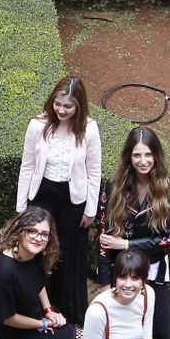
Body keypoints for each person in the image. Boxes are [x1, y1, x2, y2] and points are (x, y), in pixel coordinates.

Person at [95, 126, 170, 339]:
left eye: (148, 154)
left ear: (157, 156)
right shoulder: (114, 186)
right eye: (137, 155)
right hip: (121, 274)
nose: (143, 161)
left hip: (154, 272)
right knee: (120, 330)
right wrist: (104, 280)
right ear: (129, 156)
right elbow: (104, 236)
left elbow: (167, 239)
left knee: (162, 333)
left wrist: (126, 245)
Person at [16, 76, 101, 325]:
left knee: (67, 256)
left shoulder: (89, 128)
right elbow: (27, 166)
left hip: (72, 201)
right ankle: (36, 308)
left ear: (79, 106)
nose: (61, 110)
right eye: (58, 104)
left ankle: (67, 313)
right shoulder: (37, 125)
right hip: (42, 196)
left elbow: (94, 170)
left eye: (68, 106)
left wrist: (91, 209)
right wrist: (22, 207)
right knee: (38, 251)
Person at [0, 208, 80, 339]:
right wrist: (43, 323)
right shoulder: (3, 271)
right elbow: (8, 318)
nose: (38, 238)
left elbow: (38, 283)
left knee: (73, 331)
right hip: (11, 332)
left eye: (44, 234)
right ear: (20, 231)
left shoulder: (34, 255)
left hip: (32, 314)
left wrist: (48, 310)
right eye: (32, 231)